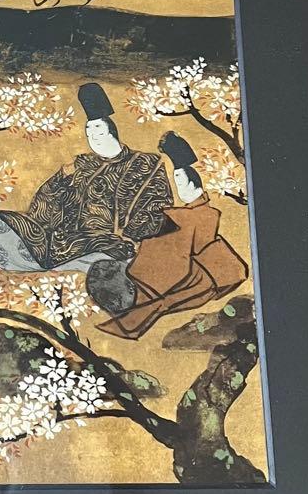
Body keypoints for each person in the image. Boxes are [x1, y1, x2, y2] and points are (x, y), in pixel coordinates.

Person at [0, 82, 173, 272]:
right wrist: (61, 180)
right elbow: (46, 199)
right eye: (89, 133)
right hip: (66, 237)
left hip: (110, 240)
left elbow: (158, 203)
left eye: (98, 131)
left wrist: (131, 233)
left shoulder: (145, 163)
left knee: (103, 251)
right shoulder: (83, 163)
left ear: (111, 131)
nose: (93, 138)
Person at [86, 131, 248, 340]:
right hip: (168, 275)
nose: (179, 186)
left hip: (184, 276)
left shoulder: (195, 218)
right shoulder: (186, 217)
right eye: (177, 180)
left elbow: (178, 253)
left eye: (182, 181)